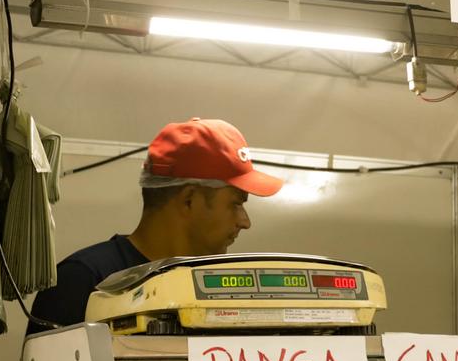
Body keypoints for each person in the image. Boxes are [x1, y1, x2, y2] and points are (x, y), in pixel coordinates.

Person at [29, 117, 284, 329]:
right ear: (189, 200)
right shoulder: (81, 282)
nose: (245, 222)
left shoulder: (214, 289)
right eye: (236, 203)